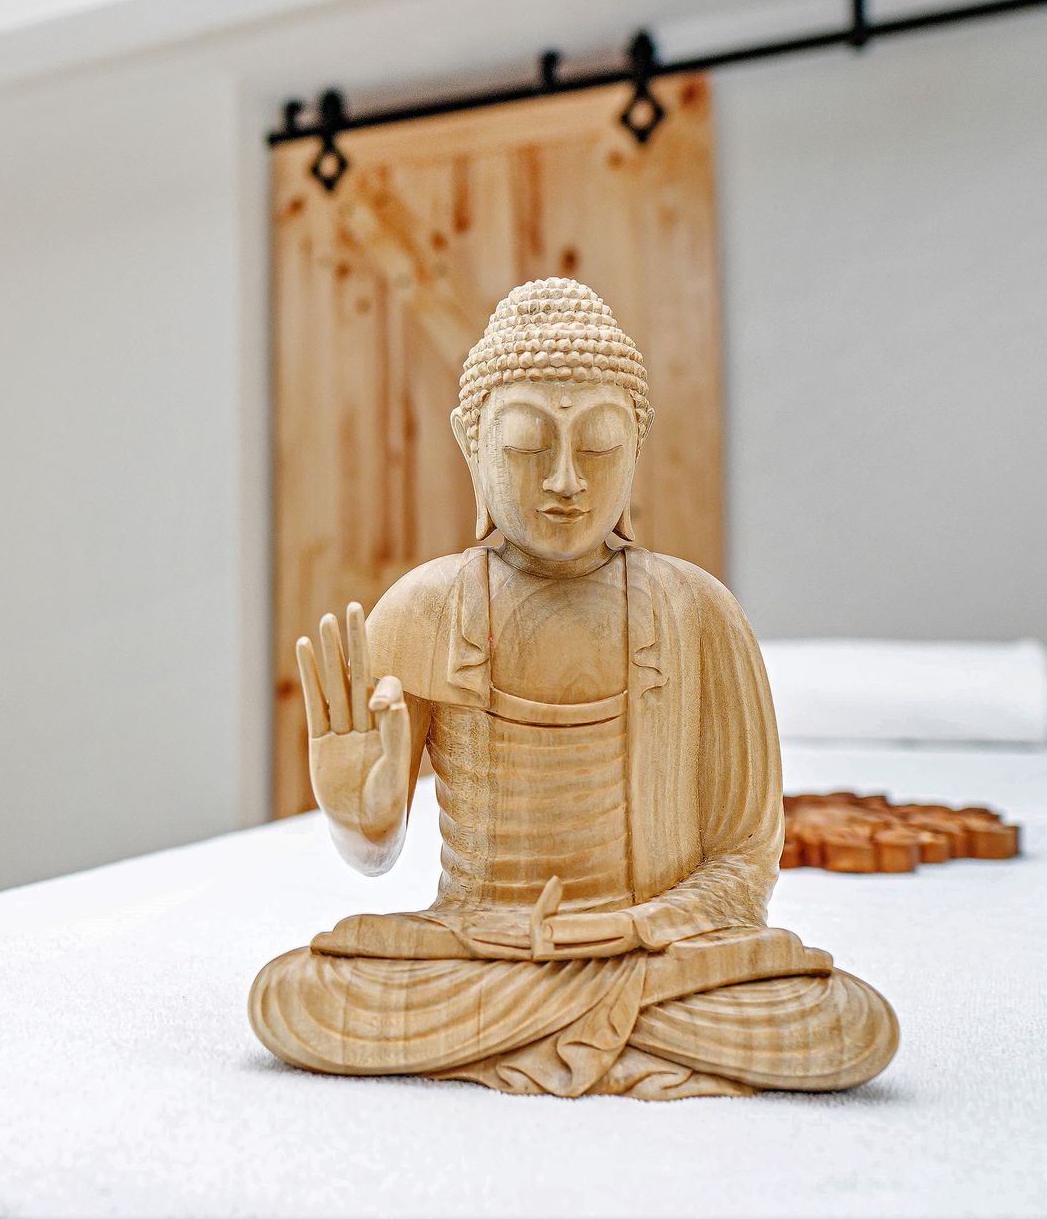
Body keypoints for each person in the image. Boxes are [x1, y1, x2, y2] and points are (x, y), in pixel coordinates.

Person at [249, 278, 898, 1098]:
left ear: (639, 442)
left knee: (844, 1020)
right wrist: (358, 817)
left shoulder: (698, 612)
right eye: (527, 447)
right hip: (480, 951)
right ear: (469, 443)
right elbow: (375, 857)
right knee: (296, 994)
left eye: (596, 447)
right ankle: (604, 1029)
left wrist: (626, 931)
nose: (565, 481)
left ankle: (568, 1020)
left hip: (655, 959)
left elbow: (744, 858)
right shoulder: (423, 608)